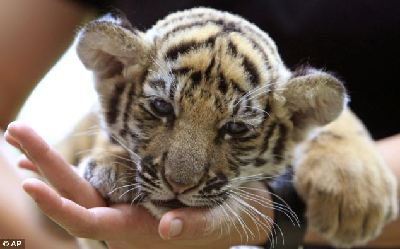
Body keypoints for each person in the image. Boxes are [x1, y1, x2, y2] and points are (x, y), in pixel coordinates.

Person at [0, 0, 399, 248]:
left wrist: (278, 208)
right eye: (159, 109)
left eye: (236, 129)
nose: (181, 175)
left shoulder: (297, 112)